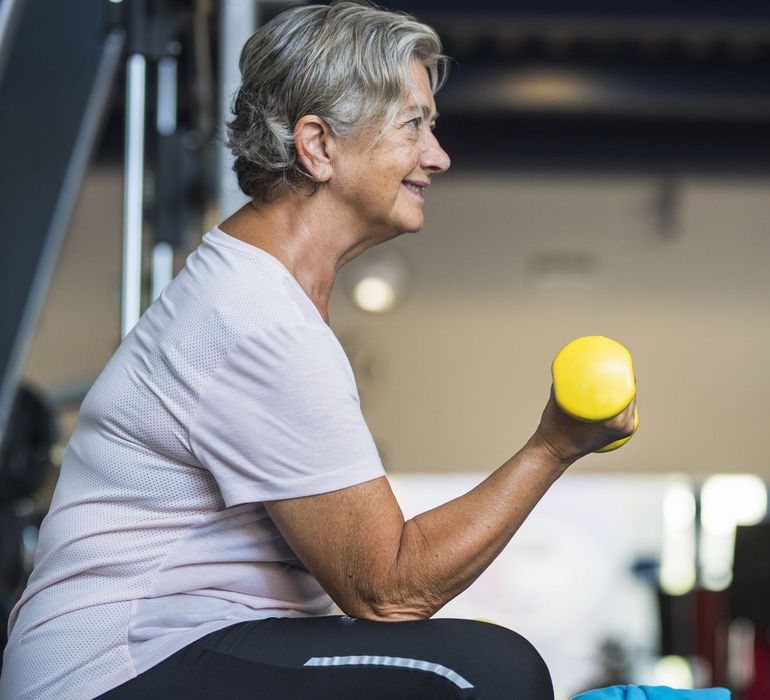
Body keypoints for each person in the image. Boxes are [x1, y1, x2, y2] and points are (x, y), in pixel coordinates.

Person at [0, 2, 635, 698]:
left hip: (194, 648)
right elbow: (389, 587)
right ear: (319, 147)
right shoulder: (257, 322)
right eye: (413, 125)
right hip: (112, 672)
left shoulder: (261, 294)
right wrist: (553, 446)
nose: (437, 156)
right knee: (479, 674)